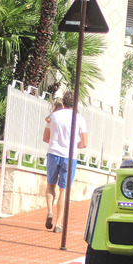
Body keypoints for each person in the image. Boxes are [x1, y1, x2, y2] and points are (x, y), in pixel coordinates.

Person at [42, 90, 88, 233]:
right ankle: (59, 223)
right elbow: (84, 143)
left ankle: (49, 210)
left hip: (53, 153)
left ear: (64, 100)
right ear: (76, 103)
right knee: (64, 190)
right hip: (70, 156)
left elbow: (45, 137)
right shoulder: (79, 118)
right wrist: (74, 145)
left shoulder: (54, 116)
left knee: (50, 185)